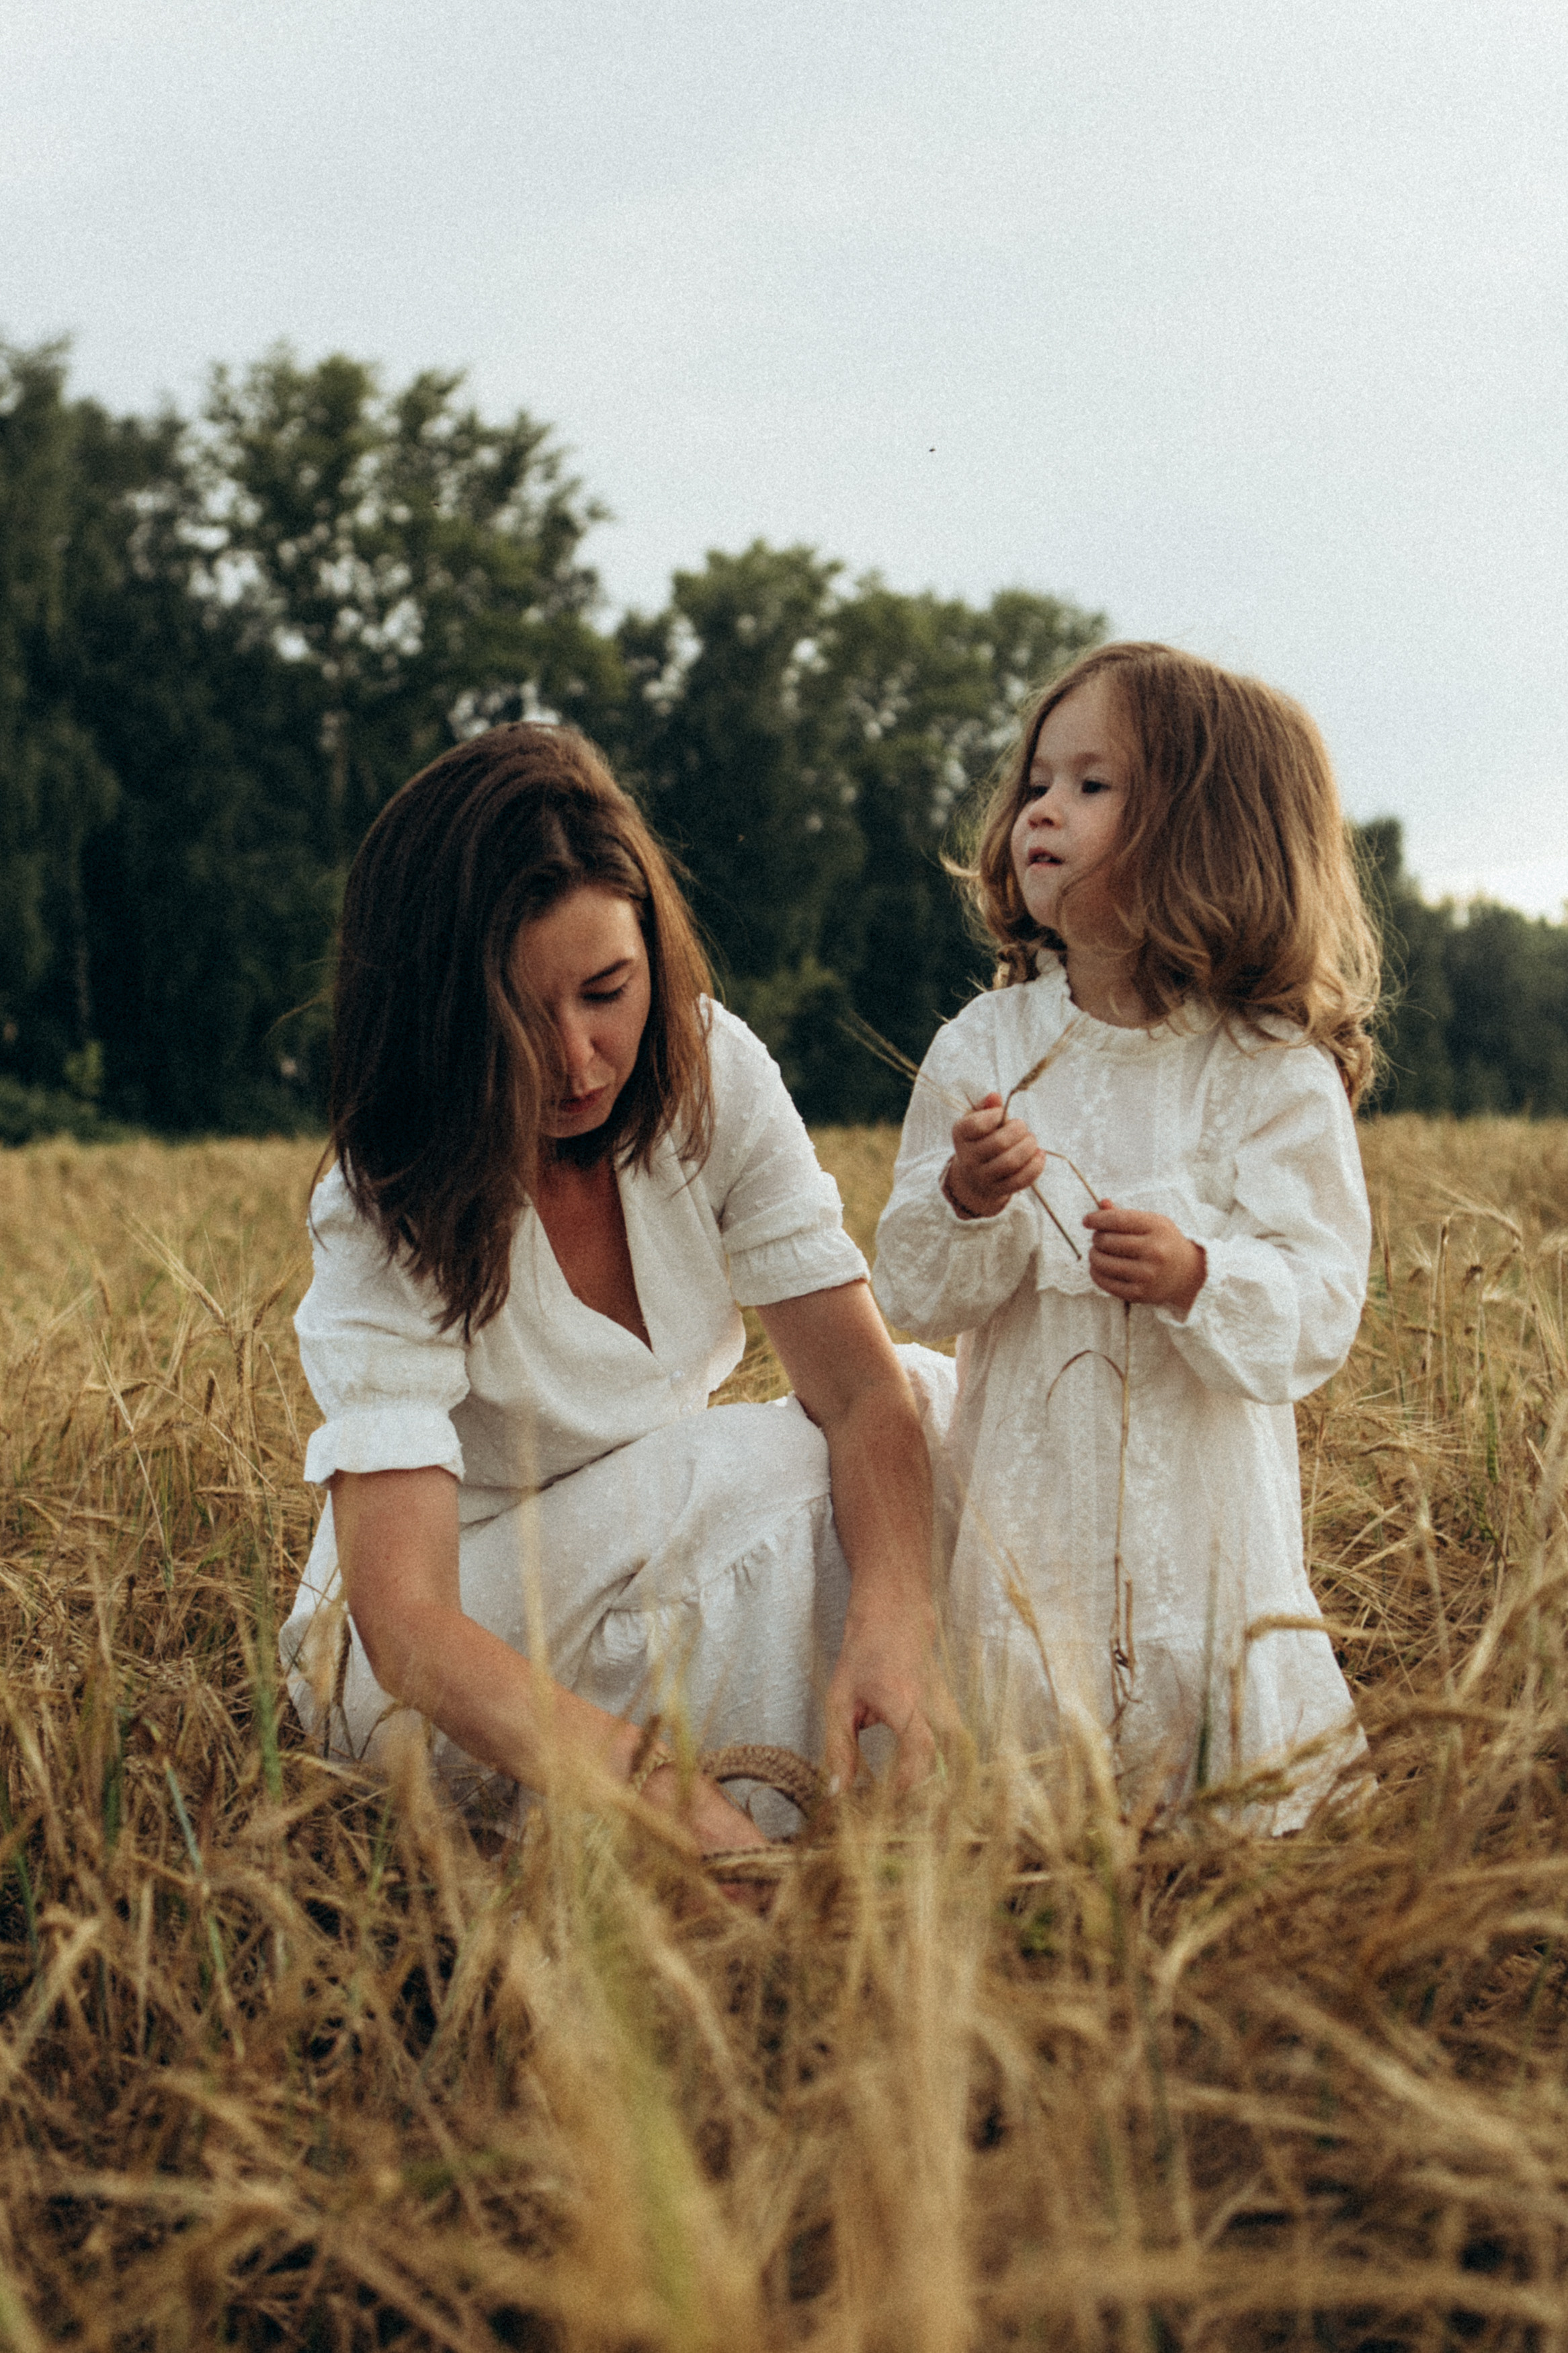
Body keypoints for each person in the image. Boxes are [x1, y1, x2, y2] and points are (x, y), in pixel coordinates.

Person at [280, 723, 950, 1852]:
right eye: (517, 1017)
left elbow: (864, 1396)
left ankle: (884, 1801)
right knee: (766, 1470)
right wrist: (648, 1791)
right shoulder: (385, 1195)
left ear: (654, 954)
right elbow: (403, 1623)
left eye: (606, 991)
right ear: (439, 1015)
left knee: (941, 1408)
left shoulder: (710, 1074)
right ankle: (744, 1823)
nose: (579, 1060)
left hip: (648, 1572)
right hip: (432, 1679)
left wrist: (897, 1614)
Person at [871, 643, 1377, 1827]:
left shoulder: (1265, 1072)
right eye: (1038, 781)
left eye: (1093, 785)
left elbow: (1317, 1304)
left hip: (1202, 1516)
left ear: (1208, 829)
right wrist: (967, 1199)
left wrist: (1200, 1275)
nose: (1041, 808)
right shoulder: (985, 1048)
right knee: (1022, 1773)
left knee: (1212, 1784)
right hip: (1026, 1497)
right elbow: (910, 1286)